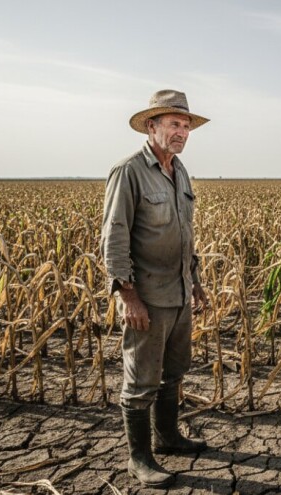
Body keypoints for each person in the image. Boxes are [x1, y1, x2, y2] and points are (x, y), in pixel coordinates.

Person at [101, 89, 211, 488]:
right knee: (141, 381)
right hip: (147, 297)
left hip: (179, 293)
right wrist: (127, 295)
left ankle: (168, 437)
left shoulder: (179, 170)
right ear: (152, 126)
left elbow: (185, 233)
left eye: (186, 126)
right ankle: (139, 459)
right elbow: (114, 237)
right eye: (174, 124)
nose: (181, 132)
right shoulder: (129, 171)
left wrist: (195, 281)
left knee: (174, 371)